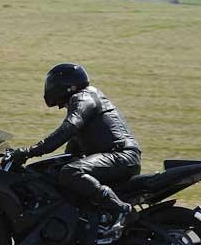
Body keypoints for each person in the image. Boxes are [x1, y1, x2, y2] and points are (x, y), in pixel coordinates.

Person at [10, 63, 140, 230]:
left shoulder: (83, 98)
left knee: (72, 171)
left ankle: (123, 210)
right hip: (118, 156)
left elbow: (68, 128)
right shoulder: (85, 101)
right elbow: (72, 149)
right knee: (62, 172)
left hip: (120, 156)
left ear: (63, 85)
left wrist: (30, 151)